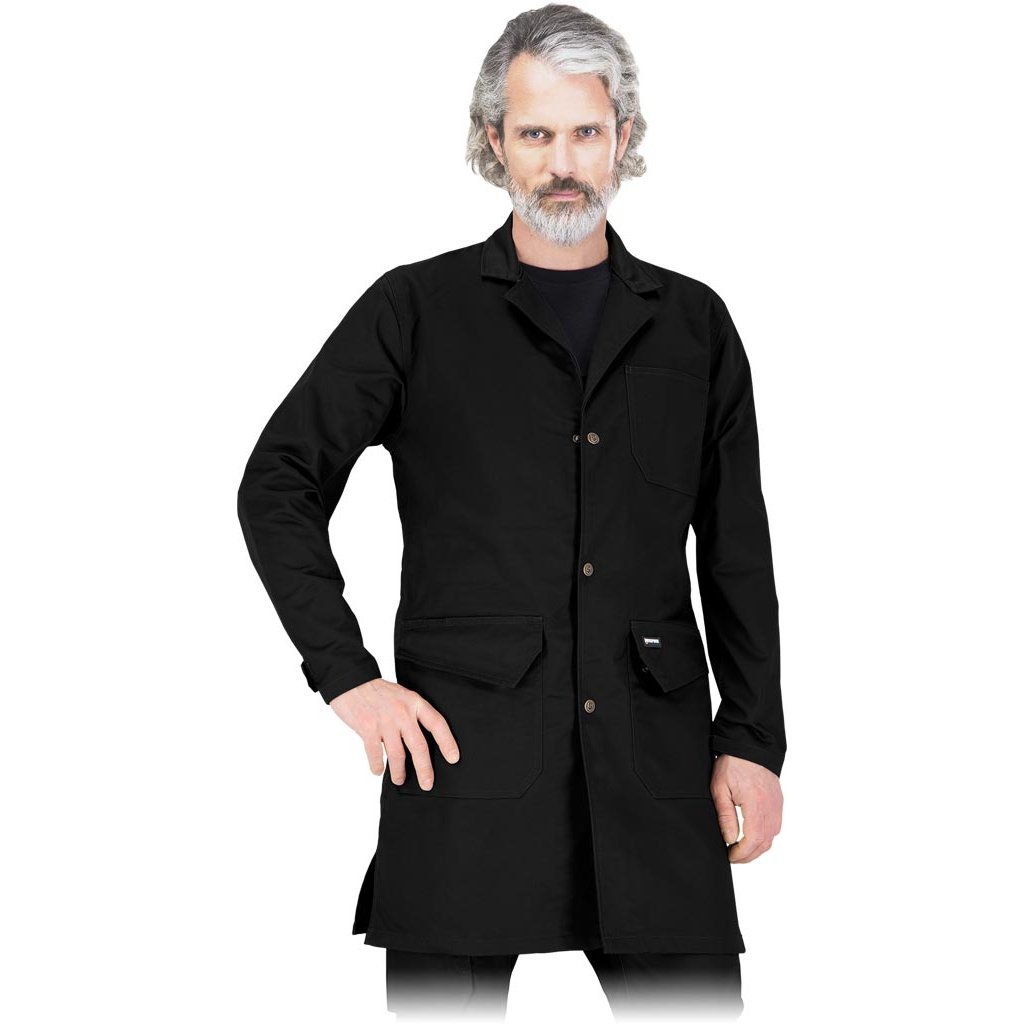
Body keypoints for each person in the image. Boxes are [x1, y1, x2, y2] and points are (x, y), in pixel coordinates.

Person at [237, 4, 785, 1019]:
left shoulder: (694, 325)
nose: (562, 163)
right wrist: (348, 678)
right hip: (464, 763)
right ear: (494, 140)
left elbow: (736, 551)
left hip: (654, 770)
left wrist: (752, 739)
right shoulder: (414, 310)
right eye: (535, 133)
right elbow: (278, 483)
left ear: (622, 135)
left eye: (585, 131)